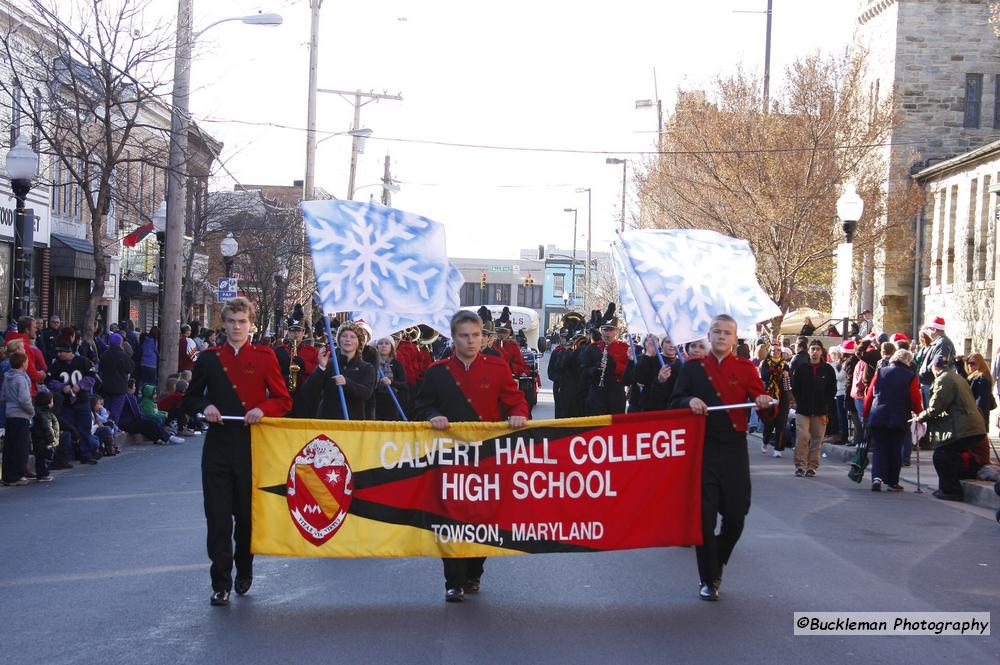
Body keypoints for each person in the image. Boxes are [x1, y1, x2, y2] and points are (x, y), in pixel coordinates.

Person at [182, 297, 292, 606]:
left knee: (246, 518)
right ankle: (221, 582)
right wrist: (206, 406)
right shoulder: (208, 358)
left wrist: (262, 409)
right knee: (217, 518)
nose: (236, 327)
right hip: (217, 446)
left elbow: (283, 400)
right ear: (224, 324)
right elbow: (190, 399)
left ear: (252, 325)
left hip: (250, 446)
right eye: (231, 321)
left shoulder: (265, 356)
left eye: (242, 321)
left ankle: (245, 567)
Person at [413, 309, 529, 603]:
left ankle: (474, 571)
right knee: (451, 518)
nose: (471, 341)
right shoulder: (438, 371)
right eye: (464, 336)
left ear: (483, 336)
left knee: (485, 518)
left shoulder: (497, 366)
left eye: (476, 335)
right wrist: (434, 415)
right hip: (450, 457)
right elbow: (422, 405)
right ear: (453, 338)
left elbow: (516, 401)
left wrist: (517, 415)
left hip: (487, 457)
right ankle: (453, 581)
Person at [670, 314, 774, 602]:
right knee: (704, 518)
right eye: (716, 331)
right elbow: (675, 400)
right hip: (703, 448)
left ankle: (717, 558)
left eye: (727, 333)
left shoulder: (745, 368)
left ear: (735, 338)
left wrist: (764, 404)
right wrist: (688, 401)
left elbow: (764, 405)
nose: (721, 337)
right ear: (709, 334)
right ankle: (708, 579)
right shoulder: (693, 369)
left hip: (734, 448)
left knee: (736, 516)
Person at [913, 356, 987, 501]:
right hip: (972, 425)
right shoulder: (956, 377)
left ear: (935, 367)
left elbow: (936, 407)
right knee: (950, 454)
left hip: (964, 427)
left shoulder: (943, 379)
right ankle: (949, 487)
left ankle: (950, 490)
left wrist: (920, 417)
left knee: (942, 455)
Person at [863, 349, 922, 492]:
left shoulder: (881, 372)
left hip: (878, 415)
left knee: (879, 448)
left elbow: (870, 394)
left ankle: (876, 477)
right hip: (899, 417)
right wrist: (920, 413)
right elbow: (915, 398)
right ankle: (892, 481)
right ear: (908, 361)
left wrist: (865, 413)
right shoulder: (910, 376)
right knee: (895, 450)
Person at [298, 321, 376, 420]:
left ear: (359, 341)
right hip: (328, 422)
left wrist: (347, 383)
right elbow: (307, 391)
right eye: (344, 336)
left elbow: (366, 394)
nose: (348, 339)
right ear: (339, 340)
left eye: (352, 337)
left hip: (353, 423)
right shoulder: (329, 364)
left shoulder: (367, 368)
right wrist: (321, 368)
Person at [46, 341, 101, 465]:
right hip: (65, 403)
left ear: (69, 352)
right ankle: (67, 455)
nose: (59, 354)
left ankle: (86, 454)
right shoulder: (56, 365)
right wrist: (61, 387)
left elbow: (92, 376)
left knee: (84, 428)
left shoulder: (83, 361)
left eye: (61, 352)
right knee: (67, 429)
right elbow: (50, 380)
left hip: (82, 400)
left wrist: (80, 385)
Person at [790, 339, 836, 477]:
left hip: (820, 410)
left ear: (821, 351)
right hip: (803, 410)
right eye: (812, 349)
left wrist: (825, 403)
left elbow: (831, 389)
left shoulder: (828, 369)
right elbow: (796, 387)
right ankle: (800, 465)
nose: (815, 352)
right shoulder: (801, 368)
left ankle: (812, 466)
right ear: (809, 351)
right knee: (803, 436)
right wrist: (799, 401)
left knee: (817, 439)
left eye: (817, 349)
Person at [1, 351, 35, 486]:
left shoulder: (7, 377)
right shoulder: (21, 379)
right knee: (21, 447)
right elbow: (24, 399)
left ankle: (8, 475)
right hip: (21, 415)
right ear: (22, 363)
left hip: (10, 414)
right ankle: (17, 475)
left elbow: (3, 396)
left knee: (10, 447)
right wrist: (31, 411)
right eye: (26, 361)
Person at [759, 343, 791, 457]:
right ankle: (765, 440)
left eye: (778, 350)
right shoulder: (766, 364)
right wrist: (773, 370)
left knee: (781, 423)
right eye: (774, 350)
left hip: (782, 397)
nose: (776, 352)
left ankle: (778, 449)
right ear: (770, 352)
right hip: (770, 395)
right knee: (769, 422)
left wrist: (787, 375)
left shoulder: (785, 365)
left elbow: (789, 380)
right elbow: (764, 377)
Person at [99, 332, 133, 424]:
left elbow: (101, 369)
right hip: (120, 387)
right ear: (120, 343)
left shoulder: (104, 355)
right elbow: (130, 368)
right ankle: (111, 429)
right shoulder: (124, 356)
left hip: (106, 386)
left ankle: (105, 427)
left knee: (106, 409)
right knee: (115, 411)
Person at [373, 336, 409, 420]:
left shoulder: (397, 364)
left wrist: (391, 382)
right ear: (377, 347)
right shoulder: (373, 363)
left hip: (392, 402)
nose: (383, 346)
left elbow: (404, 385)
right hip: (375, 401)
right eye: (380, 343)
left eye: (387, 343)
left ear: (391, 347)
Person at [137, 326, 159, 390]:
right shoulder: (155, 341)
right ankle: (150, 396)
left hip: (143, 363)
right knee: (152, 382)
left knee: (144, 382)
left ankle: (143, 395)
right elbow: (155, 350)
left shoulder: (145, 339)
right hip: (152, 364)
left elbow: (142, 348)